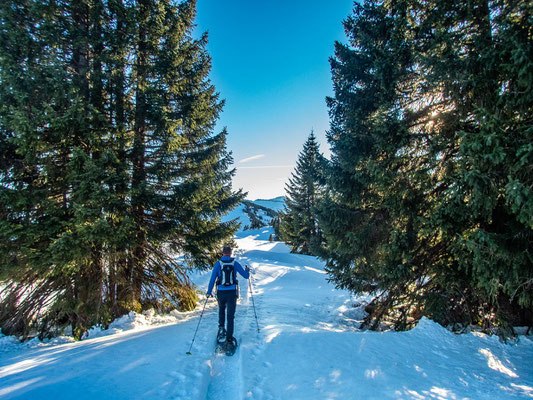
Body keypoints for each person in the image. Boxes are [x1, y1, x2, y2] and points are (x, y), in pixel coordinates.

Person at [207, 245, 250, 351]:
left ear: (222, 253)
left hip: (221, 292)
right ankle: (229, 340)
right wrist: (247, 270)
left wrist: (209, 292)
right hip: (232, 293)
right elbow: (246, 276)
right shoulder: (234, 264)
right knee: (230, 316)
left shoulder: (218, 264)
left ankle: (221, 329)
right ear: (230, 253)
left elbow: (212, 279)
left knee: (221, 310)